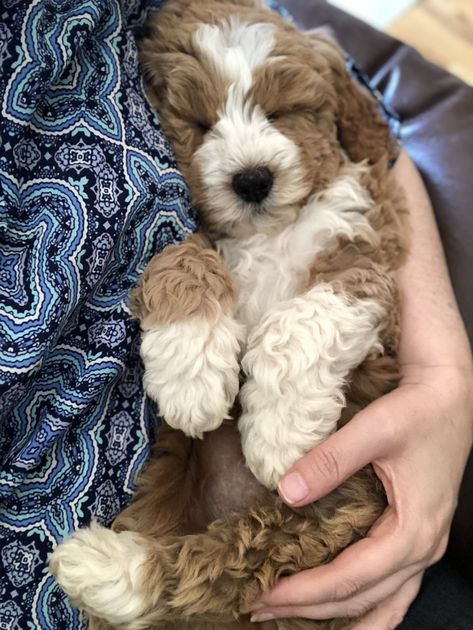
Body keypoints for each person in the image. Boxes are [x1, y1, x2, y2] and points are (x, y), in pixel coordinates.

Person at [0, 2, 471, 629]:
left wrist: (442, 373)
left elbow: (364, 141)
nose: (247, 153)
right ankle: (159, 583)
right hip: (142, 508)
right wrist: (188, 317)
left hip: (340, 527)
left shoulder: (337, 197)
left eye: (275, 114)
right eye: (200, 123)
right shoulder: (201, 243)